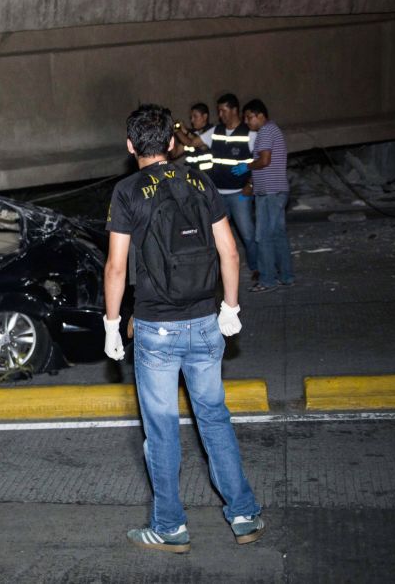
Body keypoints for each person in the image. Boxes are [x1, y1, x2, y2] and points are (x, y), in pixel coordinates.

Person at [103, 104, 264, 553]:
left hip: (156, 328)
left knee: (161, 430)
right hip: (206, 322)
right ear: (172, 144)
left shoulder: (127, 191)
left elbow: (117, 267)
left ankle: (170, 525)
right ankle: (245, 513)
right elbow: (229, 251)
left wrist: (112, 325)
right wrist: (230, 307)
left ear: (131, 146)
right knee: (214, 419)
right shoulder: (200, 180)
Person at [184, 94, 259, 282]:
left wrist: (251, 184)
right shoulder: (215, 131)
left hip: (239, 195)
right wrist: (180, 131)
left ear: (234, 110)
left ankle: (256, 267)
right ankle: (218, 271)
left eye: (224, 110)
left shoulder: (249, 134)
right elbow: (193, 143)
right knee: (216, 237)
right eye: (219, 110)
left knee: (248, 234)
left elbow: (260, 162)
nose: (221, 114)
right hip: (218, 195)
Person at [238, 99, 295, 292]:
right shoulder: (273, 130)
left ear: (260, 115)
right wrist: (253, 183)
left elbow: (264, 160)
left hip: (270, 193)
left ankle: (267, 279)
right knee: (278, 235)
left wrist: (246, 166)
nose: (246, 121)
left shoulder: (265, 131)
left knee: (263, 236)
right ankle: (286, 276)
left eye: (249, 117)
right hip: (276, 190)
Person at [171, 103, 213, 171]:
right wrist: (170, 134)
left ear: (205, 117)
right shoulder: (190, 134)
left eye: (195, 117)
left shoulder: (212, 131)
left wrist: (183, 132)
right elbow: (175, 154)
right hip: (192, 174)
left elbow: (198, 144)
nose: (192, 120)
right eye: (191, 118)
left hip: (208, 176)